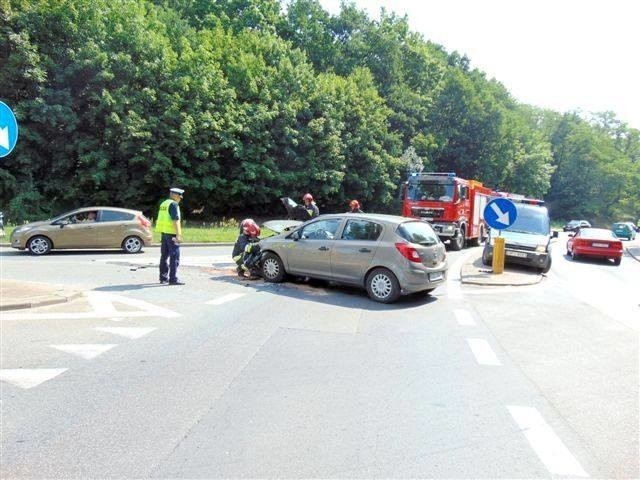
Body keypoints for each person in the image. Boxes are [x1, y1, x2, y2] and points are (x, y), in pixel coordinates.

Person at [156, 187, 184, 285]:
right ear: (174, 195)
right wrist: (178, 235)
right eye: (180, 196)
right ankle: (173, 279)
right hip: (172, 233)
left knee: (164, 256)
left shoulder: (163, 203)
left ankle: (163, 278)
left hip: (164, 233)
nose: (181, 198)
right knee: (174, 256)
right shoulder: (173, 204)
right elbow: (175, 220)